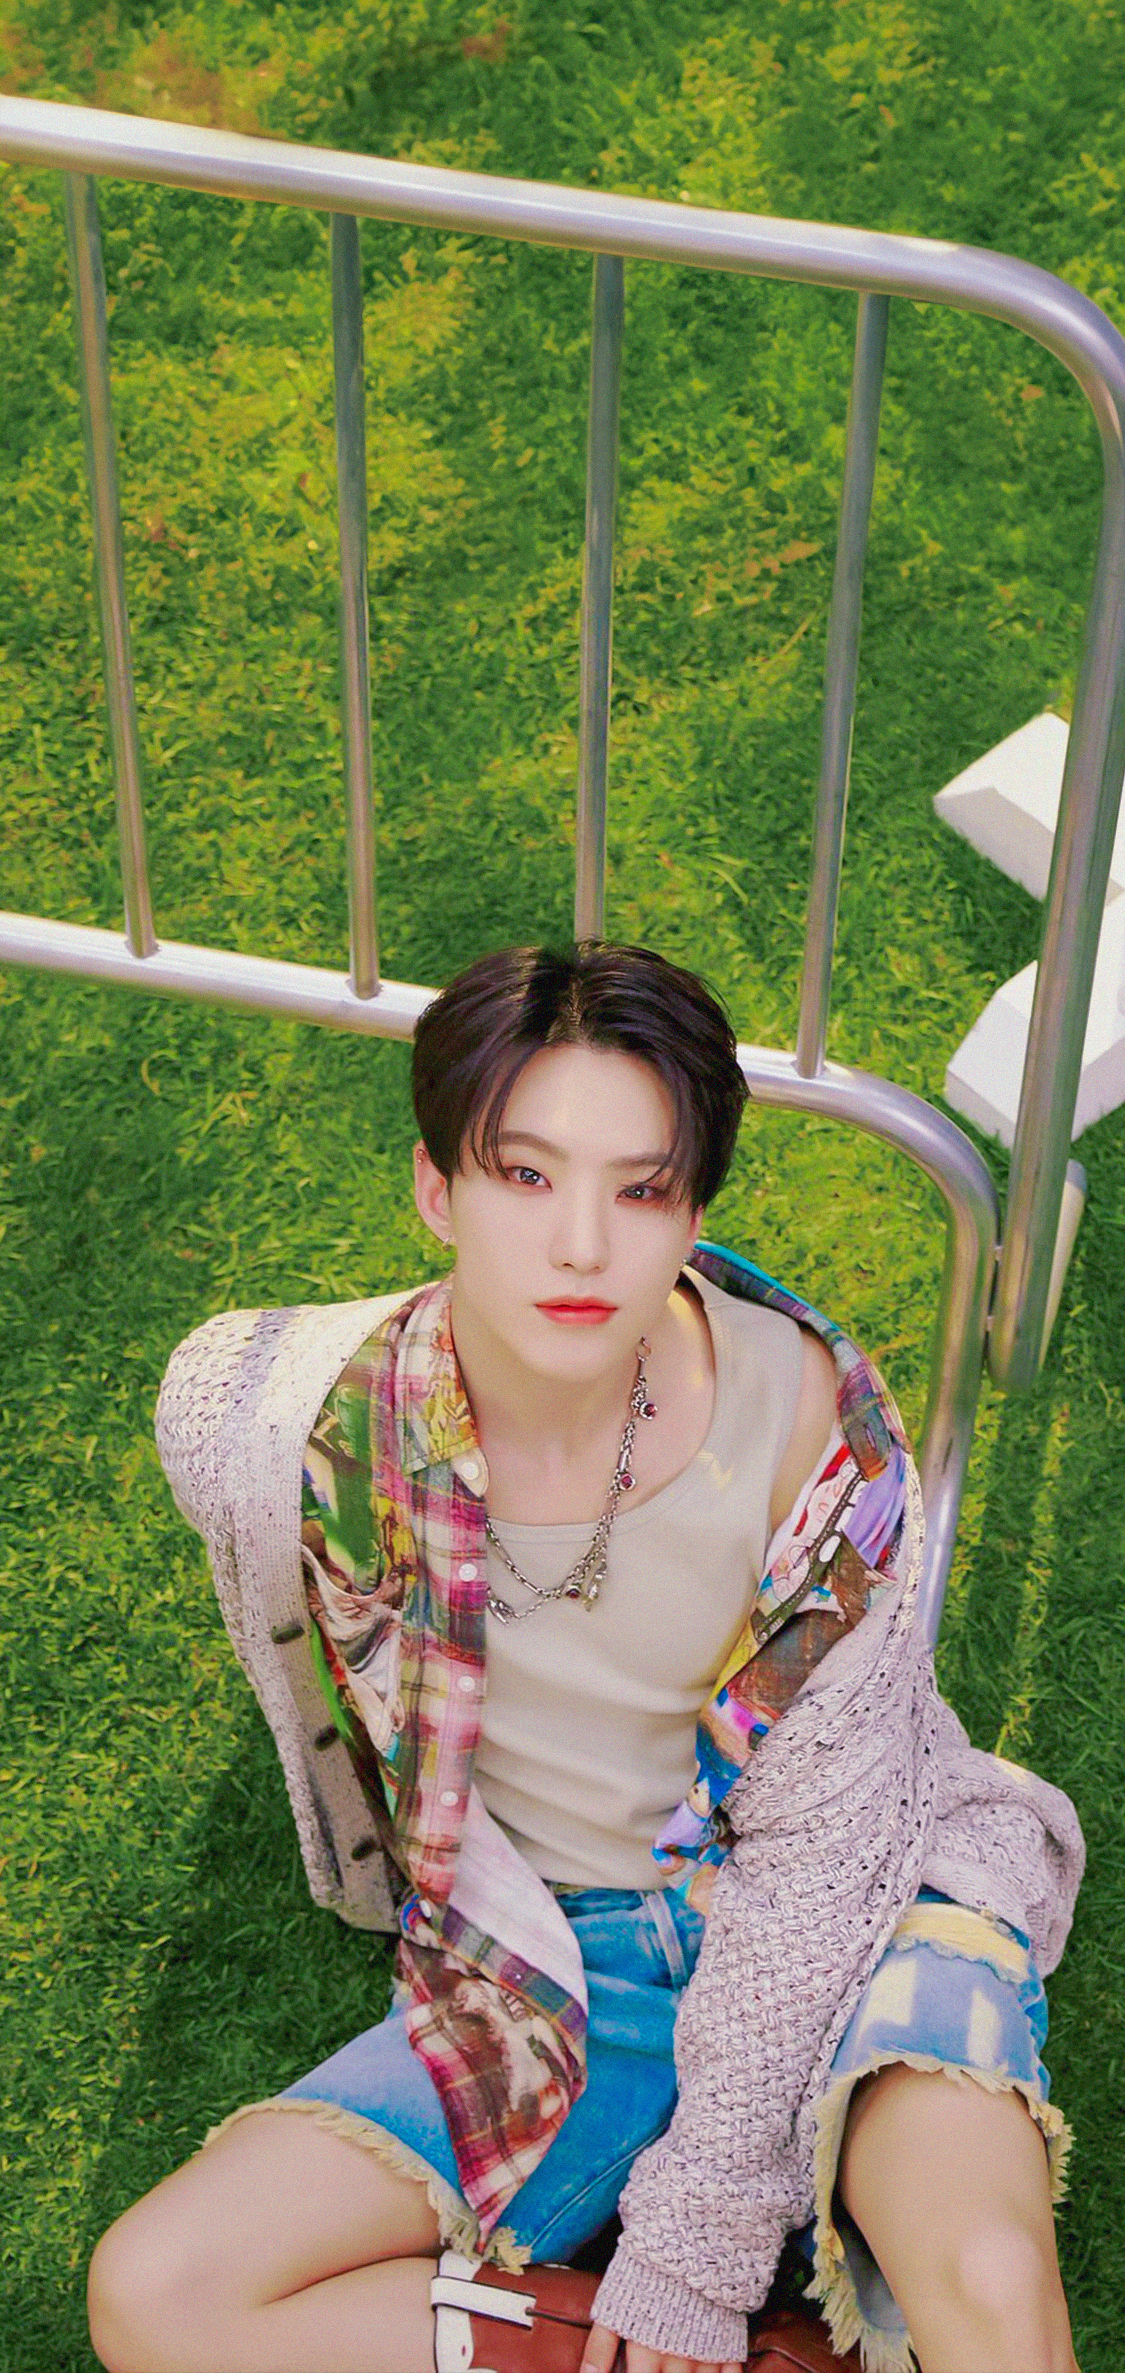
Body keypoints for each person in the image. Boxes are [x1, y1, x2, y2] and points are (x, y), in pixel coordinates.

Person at [87, 940, 1085, 2373]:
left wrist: (692, 2245)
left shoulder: (813, 1423)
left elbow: (816, 1868)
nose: (579, 1246)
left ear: (693, 1212)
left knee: (988, 2282)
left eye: (642, 1189)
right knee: (160, 2292)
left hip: (868, 1899)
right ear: (437, 1188)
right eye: (525, 1174)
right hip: (560, 1957)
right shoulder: (302, 1430)